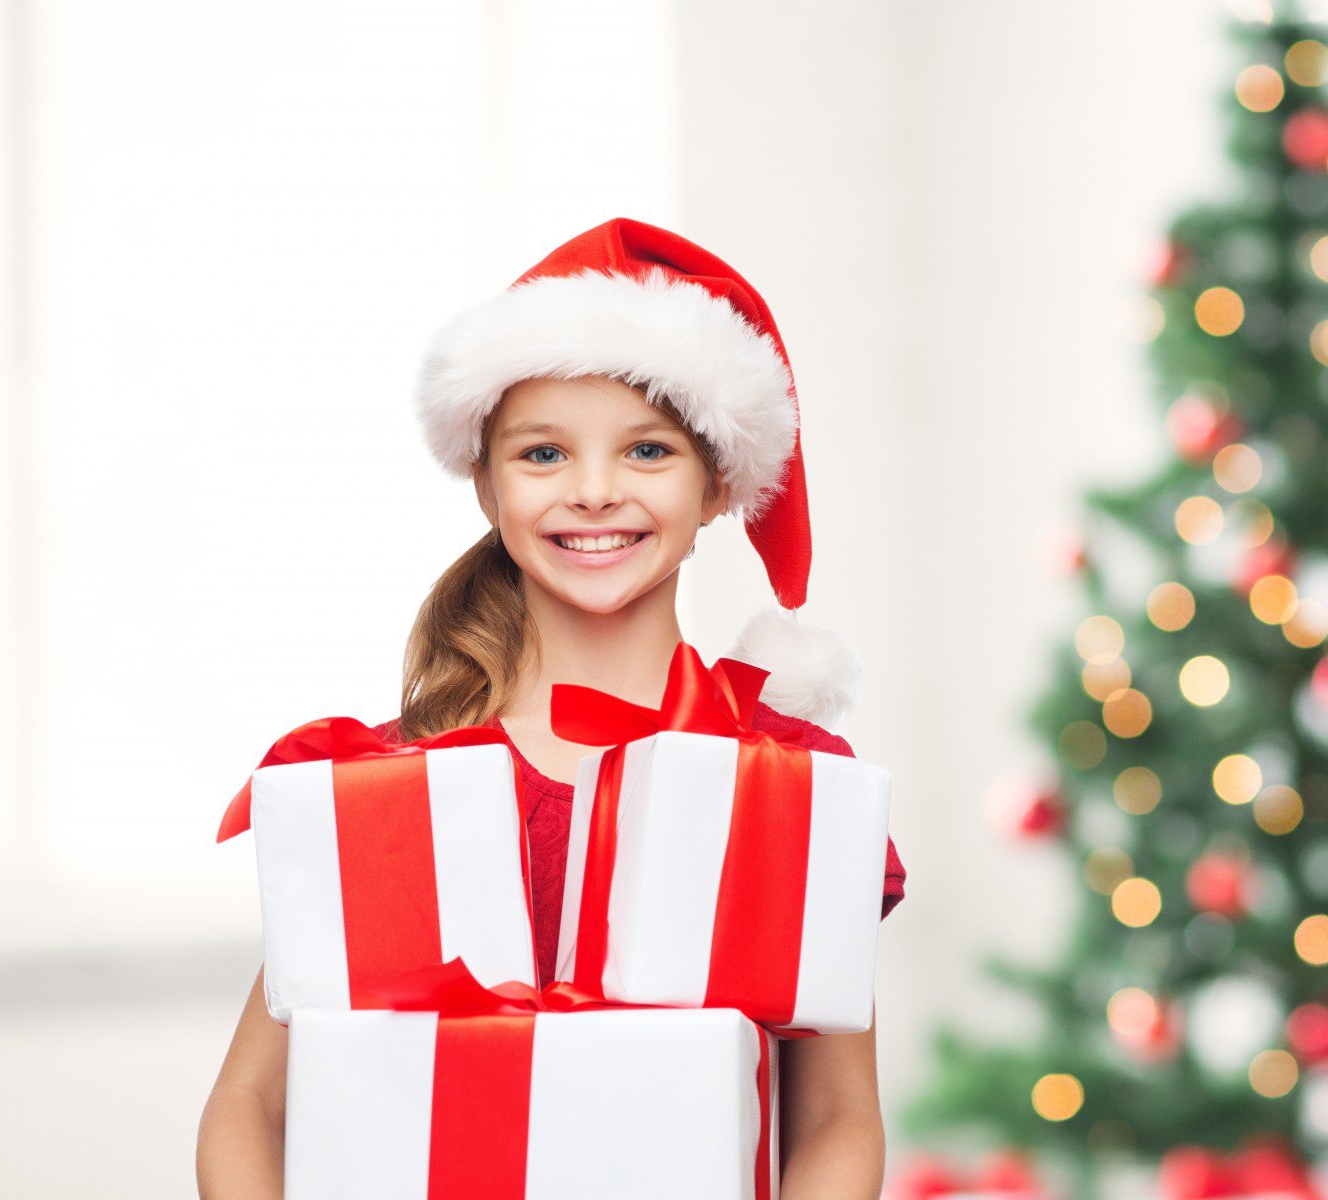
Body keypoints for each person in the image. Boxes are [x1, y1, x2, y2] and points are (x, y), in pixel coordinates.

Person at [196, 217, 906, 1199]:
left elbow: (835, 1118)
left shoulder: (780, 782)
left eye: (648, 451)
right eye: (543, 455)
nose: (596, 492)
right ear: (484, 485)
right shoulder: (389, 785)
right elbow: (250, 1108)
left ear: (716, 489)